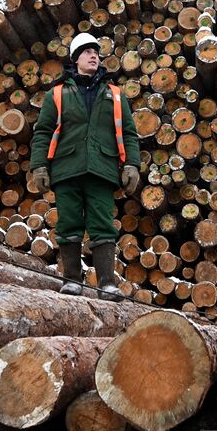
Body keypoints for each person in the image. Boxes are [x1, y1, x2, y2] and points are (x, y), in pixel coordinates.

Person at [29, 32, 141, 296]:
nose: (94, 56)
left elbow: (129, 133)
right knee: (68, 223)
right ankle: (72, 280)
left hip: (102, 169)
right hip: (66, 168)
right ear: (76, 58)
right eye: (87, 52)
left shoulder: (114, 94)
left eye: (96, 52)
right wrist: (39, 166)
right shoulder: (57, 93)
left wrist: (131, 165)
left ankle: (107, 284)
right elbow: (43, 131)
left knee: (103, 224)